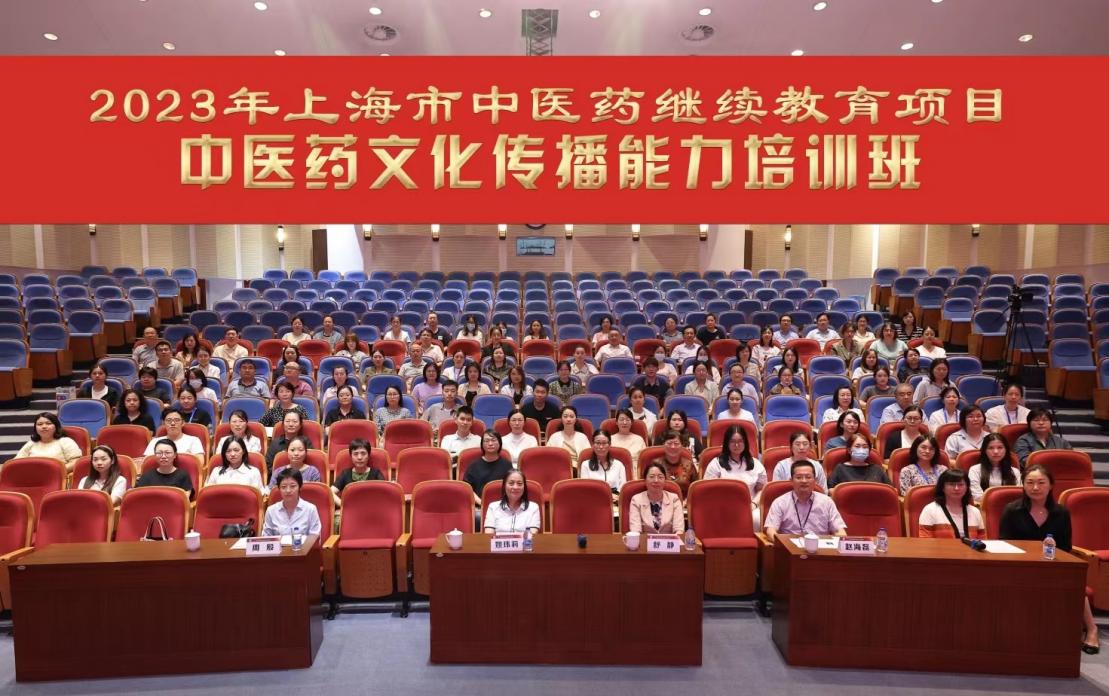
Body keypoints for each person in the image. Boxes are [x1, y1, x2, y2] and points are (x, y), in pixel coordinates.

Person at [999, 464, 1100, 654]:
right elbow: (1004, 544)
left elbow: (1065, 547)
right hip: (1020, 567)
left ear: (1051, 485)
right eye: (1030, 482)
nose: (1035, 487)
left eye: (1041, 482)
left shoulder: (1061, 513)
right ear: (1023, 485)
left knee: (1074, 581)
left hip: (1052, 565)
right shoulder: (1012, 510)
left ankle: (1091, 629)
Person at [763, 460, 847, 540]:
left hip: (821, 546)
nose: (804, 481)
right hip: (789, 546)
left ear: (815, 481)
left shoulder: (827, 502)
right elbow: (771, 531)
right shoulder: (780, 502)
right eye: (799, 477)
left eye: (808, 477)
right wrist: (782, 545)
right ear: (791, 481)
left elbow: (839, 531)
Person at [703, 424, 766, 525]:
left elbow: (761, 490)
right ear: (727, 443)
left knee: (757, 519)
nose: (736, 445)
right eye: (732, 441)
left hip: (749, 506)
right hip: (722, 507)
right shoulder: (716, 464)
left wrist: (753, 504)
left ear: (745, 442)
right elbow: (708, 491)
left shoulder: (756, 464)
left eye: (740, 441)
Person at [918, 468, 982, 539]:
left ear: (967, 487)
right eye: (951, 484)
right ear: (942, 488)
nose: (956, 488)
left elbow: (983, 541)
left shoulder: (975, 512)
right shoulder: (929, 510)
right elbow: (925, 542)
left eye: (961, 484)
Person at [628, 461, 685, 534]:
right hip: (645, 540)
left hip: (669, 540)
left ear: (665, 480)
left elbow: (679, 530)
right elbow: (635, 530)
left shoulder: (674, 499)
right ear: (645, 480)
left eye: (660, 477)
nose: (656, 480)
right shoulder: (636, 500)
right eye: (651, 477)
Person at [263, 467, 322, 537]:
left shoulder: (310, 509)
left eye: (293, 486)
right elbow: (266, 538)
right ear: (279, 489)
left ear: (300, 487)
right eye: (283, 487)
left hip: (304, 544)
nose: (288, 490)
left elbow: (315, 536)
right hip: (279, 545)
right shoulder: (271, 511)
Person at [968, 433, 1021, 503]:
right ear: (984, 451)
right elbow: (976, 496)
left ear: (1006, 450)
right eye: (991, 448)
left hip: (1010, 508)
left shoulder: (1015, 472)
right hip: (983, 507)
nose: (996, 452)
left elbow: (1018, 495)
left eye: (1000, 447)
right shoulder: (975, 470)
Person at [464, 431, 514, 503]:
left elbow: (512, 486)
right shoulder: (474, 466)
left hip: (502, 505)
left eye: (493, 440)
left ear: (499, 443)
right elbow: (467, 488)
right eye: (486, 441)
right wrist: (481, 502)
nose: (490, 444)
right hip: (479, 505)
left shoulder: (507, 465)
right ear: (482, 444)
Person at [648, 429, 699, 496]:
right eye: (669, 443)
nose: (673, 447)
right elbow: (650, 487)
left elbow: (695, 489)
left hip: (684, 501)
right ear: (663, 445)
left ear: (682, 445)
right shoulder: (655, 465)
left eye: (676, 443)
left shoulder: (688, 465)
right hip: (660, 500)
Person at [580, 429, 627, 494]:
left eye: (604, 443)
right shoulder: (585, 465)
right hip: (593, 497)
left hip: (615, 498)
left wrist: (615, 496)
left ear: (609, 444)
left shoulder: (619, 465)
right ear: (593, 444)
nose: (601, 447)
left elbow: (622, 488)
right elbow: (585, 488)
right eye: (598, 443)